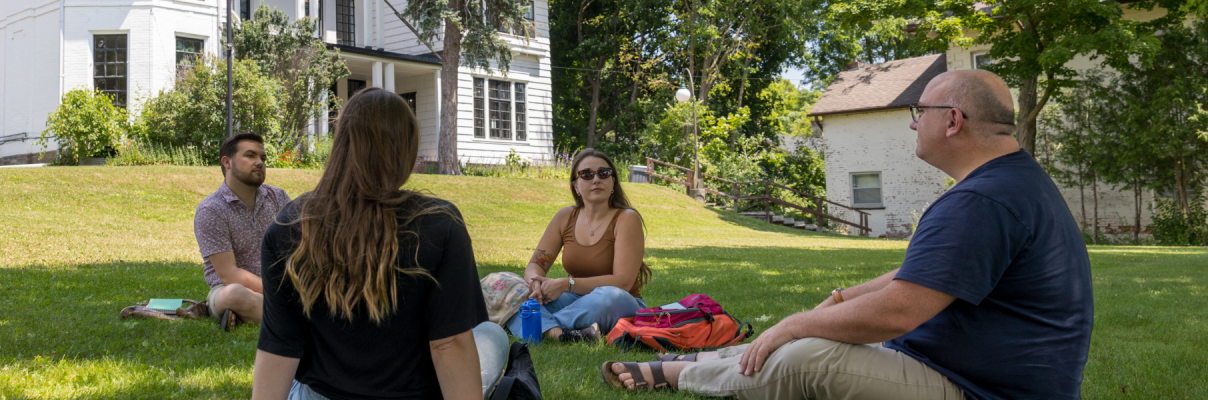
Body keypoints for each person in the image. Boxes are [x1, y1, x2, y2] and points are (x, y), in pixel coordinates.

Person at [600, 69, 1094, 400]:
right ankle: (692, 366)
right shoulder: (1007, 183)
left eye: (918, 112)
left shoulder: (981, 200)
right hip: (957, 368)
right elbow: (920, 275)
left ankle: (675, 375)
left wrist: (797, 323)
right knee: (797, 333)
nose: (914, 124)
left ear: (953, 121)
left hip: (981, 390)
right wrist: (838, 298)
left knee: (806, 353)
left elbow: (899, 310)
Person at [250, 88, 508, 400]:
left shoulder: (289, 226)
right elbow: (448, 344)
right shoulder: (440, 223)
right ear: (407, 149)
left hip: (321, 395)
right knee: (492, 334)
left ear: (341, 144)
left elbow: (280, 349)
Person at [507, 149, 652, 342]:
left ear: (613, 182)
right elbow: (537, 264)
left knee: (611, 296)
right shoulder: (565, 217)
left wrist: (567, 284)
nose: (596, 179)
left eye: (604, 173)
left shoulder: (626, 218)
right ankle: (560, 334)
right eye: (586, 174)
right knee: (508, 288)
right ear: (576, 186)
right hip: (574, 301)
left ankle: (535, 324)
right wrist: (535, 282)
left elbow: (623, 282)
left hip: (616, 303)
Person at [194, 133, 292, 331]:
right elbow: (229, 274)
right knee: (234, 295)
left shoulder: (278, 198)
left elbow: (297, 248)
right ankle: (299, 316)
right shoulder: (211, 210)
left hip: (282, 286)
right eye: (250, 156)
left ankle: (251, 314)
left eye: (263, 158)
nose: (259, 162)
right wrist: (280, 294)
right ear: (227, 162)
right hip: (231, 288)